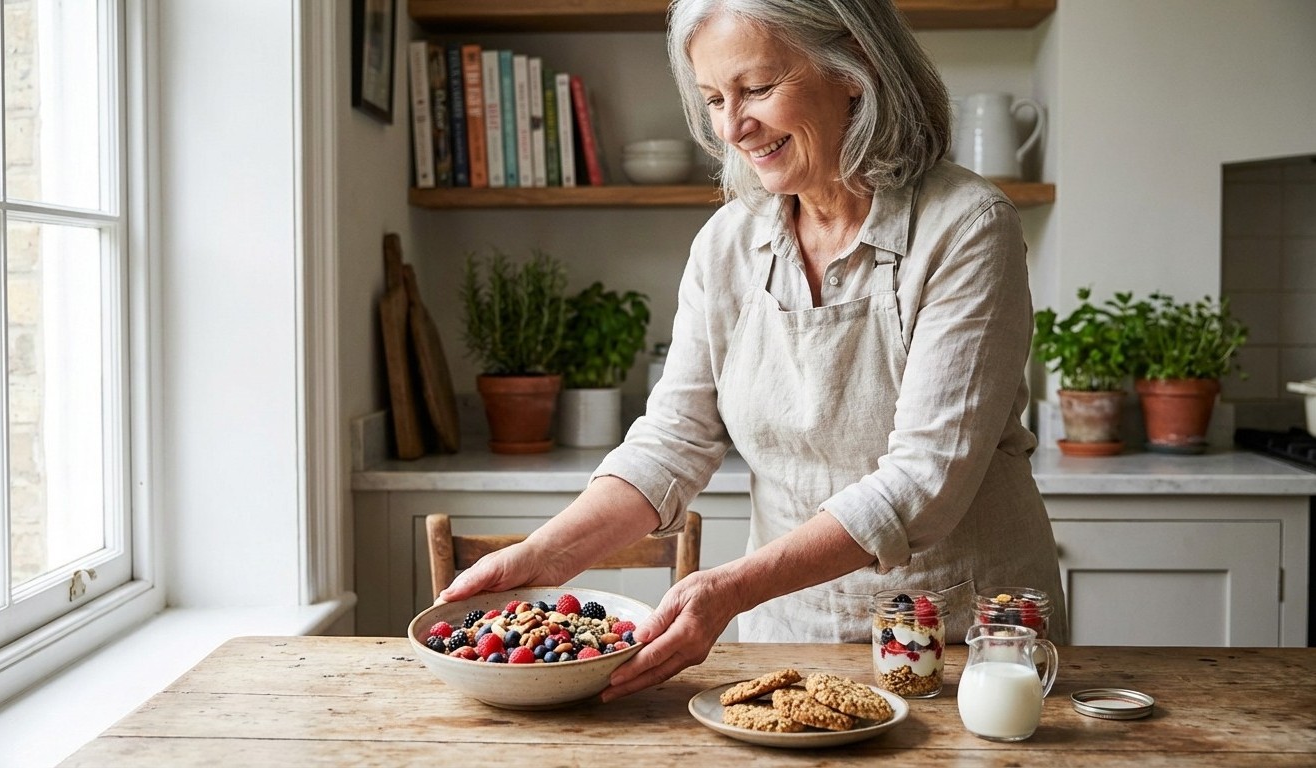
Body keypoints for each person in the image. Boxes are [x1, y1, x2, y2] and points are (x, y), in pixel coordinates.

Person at [439, 0, 1067, 700]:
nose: (732, 127)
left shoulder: (965, 226)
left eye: (757, 89)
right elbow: (671, 443)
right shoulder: (727, 243)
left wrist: (729, 587)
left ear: (853, 68)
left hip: (961, 642)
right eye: (713, 98)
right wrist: (541, 555)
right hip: (784, 630)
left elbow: (923, 482)